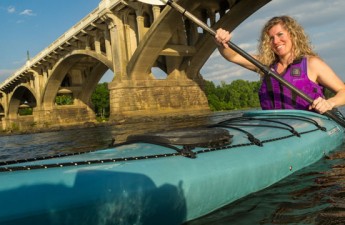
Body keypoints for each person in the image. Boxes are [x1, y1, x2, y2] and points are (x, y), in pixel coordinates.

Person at [214, 15, 345, 114]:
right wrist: (222, 43)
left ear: (293, 35)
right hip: (277, 127)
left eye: (280, 34)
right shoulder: (265, 64)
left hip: (311, 125)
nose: (276, 41)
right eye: (271, 38)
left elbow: (342, 91)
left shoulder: (312, 63)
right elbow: (233, 56)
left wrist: (330, 103)